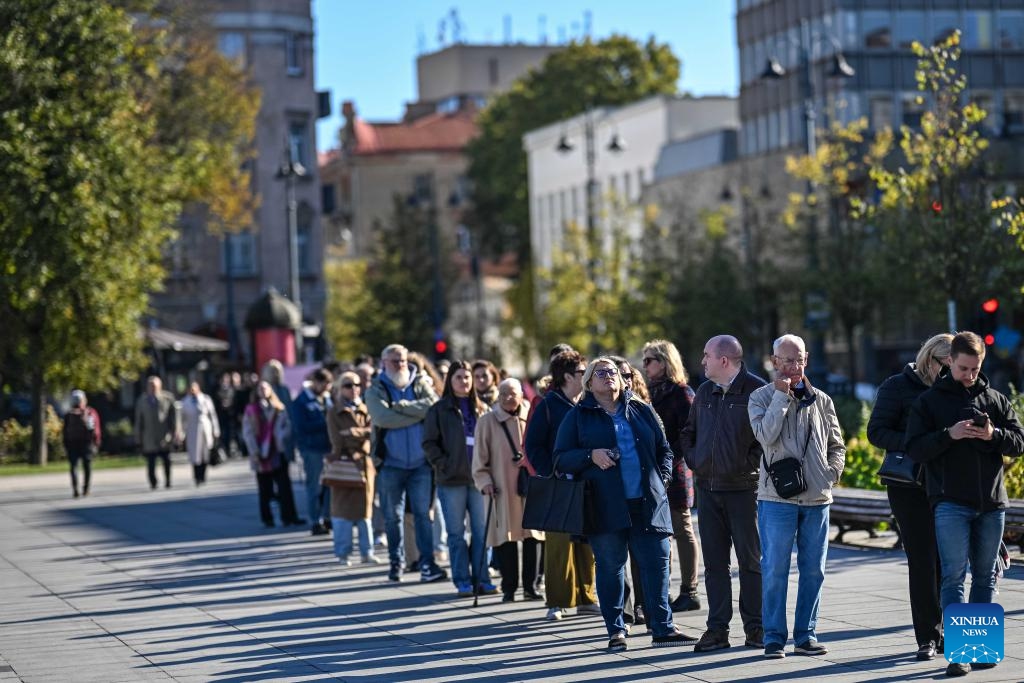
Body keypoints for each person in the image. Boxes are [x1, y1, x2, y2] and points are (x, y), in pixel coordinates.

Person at [555, 357, 699, 651]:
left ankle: (663, 628)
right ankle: (616, 630)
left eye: (613, 372)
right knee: (611, 568)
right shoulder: (579, 416)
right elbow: (559, 458)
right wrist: (589, 456)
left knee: (657, 565)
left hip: (648, 502)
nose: (609, 376)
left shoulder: (642, 410)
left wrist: (663, 479)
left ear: (622, 380)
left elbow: (664, 450)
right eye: (601, 372)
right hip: (605, 505)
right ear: (589, 383)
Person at [906, 331, 1024, 677]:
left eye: (975, 369)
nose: (969, 375)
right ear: (949, 363)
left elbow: (1018, 442)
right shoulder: (928, 402)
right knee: (954, 576)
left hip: (991, 502)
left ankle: (980, 648)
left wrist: (993, 436)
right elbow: (914, 448)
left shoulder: (995, 400)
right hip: (950, 502)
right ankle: (958, 653)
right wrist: (949, 435)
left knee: (985, 576)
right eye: (962, 368)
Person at [748, 334, 845, 660]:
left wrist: (830, 474)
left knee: (813, 570)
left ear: (806, 359)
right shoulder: (760, 398)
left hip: (817, 499)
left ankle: (806, 635)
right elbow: (765, 435)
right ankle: (774, 637)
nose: (793, 366)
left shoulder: (822, 400)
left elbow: (837, 446)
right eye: (786, 360)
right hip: (777, 499)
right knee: (775, 569)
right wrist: (781, 397)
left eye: (799, 359)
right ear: (773, 361)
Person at [866, 333, 951, 662]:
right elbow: (876, 431)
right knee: (923, 560)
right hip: (909, 488)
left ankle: (950, 633)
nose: (953, 373)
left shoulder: (956, 387)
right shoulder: (896, 386)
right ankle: (927, 636)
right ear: (931, 360)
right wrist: (919, 441)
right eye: (947, 366)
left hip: (949, 485)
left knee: (950, 562)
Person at [681, 335, 767, 652]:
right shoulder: (704, 391)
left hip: (744, 490)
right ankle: (717, 631)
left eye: (706, 355)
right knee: (715, 565)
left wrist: (747, 464)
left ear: (724, 360)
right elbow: (688, 433)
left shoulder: (757, 390)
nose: (702, 361)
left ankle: (756, 629)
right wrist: (696, 461)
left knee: (751, 563)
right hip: (708, 489)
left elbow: (767, 438)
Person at [523, 349, 600, 621]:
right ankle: (556, 601)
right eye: (582, 372)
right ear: (567, 376)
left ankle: (586, 598)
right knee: (558, 545)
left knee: (586, 543)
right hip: (559, 484)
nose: (587, 375)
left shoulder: (589, 402)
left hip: (587, 483)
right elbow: (532, 446)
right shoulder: (547, 405)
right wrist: (552, 472)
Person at [365, 344, 446, 584]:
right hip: (390, 463)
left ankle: (427, 563)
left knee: (423, 515)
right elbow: (382, 418)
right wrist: (414, 413)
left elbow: (433, 408)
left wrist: (401, 408)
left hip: (421, 464)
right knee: (392, 517)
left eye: (402, 360)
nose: (400, 364)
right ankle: (395, 562)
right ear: (384, 363)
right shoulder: (376, 389)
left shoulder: (421, 383)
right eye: (394, 361)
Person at [423, 360, 498, 597]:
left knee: (480, 532)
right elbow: (429, 443)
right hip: (451, 480)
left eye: (467, 377)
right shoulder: (439, 409)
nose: (464, 381)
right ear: (450, 380)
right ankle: (462, 581)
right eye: (459, 377)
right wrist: (443, 464)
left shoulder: (483, 408)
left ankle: (482, 579)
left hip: (478, 480)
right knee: (455, 534)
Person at [641, 339, 701, 613]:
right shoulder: (647, 392)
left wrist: (666, 456)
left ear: (665, 362)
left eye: (649, 360)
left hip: (675, 472)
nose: (645, 366)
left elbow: (690, 434)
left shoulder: (681, 392)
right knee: (660, 533)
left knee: (681, 528)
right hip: (651, 473)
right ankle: (662, 590)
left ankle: (690, 590)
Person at [473, 378, 545, 602]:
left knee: (534, 535)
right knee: (506, 537)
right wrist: (484, 482)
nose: (507, 398)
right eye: (502, 393)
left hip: (530, 486)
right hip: (501, 488)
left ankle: (531, 586)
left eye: (512, 393)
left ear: (521, 395)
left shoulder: (533, 416)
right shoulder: (486, 421)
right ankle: (509, 587)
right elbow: (479, 459)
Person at [325, 371, 379, 565]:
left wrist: (353, 432)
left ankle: (367, 551)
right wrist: (360, 435)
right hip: (344, 464)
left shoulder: (366, 408)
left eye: (357, 385)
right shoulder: (333, 411)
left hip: (365, 465)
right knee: (342, 512)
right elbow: (337, 439)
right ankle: (343, 553)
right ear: (340, 388)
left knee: (366, 512)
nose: (354, 388)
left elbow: (374, 433)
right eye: (348, 385)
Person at [243, 380, 304, 528]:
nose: (263, 391)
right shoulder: (251, 410)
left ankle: (289, 516)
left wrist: (281, 438)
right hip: (260, 453)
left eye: (266, 388)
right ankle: (267, 518)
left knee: (284, 487)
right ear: (256, 392)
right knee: (264, 489)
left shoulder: (279, 408)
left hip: (277, 451)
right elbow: (247, 432)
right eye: (260, 389)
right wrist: (254, 450)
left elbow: (287, 427)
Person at [292, 368, 334, 536]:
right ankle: (315, 520)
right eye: (323, 384)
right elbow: (301, 427)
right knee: (314, 486)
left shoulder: (328, 399)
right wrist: (326, 422)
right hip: (312, 449)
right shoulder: (301, 401)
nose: (325, 389)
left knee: (330, 485)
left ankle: (328, 516)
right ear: (315, 382)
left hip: (329, 448)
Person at [134, 376, 178, 490]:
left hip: (164, 435)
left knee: (167, 460)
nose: (152, 388)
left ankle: (168, 481)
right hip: (149, 437)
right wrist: (138, 438)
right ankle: (153, 482)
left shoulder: (168, 398)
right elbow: (139, 421)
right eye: (150, 386)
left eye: (155, 386)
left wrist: (175, 433)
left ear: (160, 386)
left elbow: (174, 418)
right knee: (151, 462)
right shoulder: (142, 401)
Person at [181, 381, 220, 486]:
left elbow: (212, 415)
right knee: (194, 456)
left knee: (205, 454)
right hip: (192, 431)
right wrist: (181, 433)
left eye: (194, 388)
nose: (193, 391)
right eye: (191, 389)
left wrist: (215, 430)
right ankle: (196, 476)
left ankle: (203, 476)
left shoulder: (206, 399)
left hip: (205, 430)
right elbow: (182, 419)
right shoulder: (185, 401)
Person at [63, 390, 101, 498]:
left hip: (72, 443)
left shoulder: (68, 415)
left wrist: (65, 444)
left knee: (74, 466)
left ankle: (75, 488)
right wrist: (96, 442)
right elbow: (95, 429)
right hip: (86, 443)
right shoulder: (90, 412)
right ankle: (86, 488)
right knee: (87, 466)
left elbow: (65, 431)